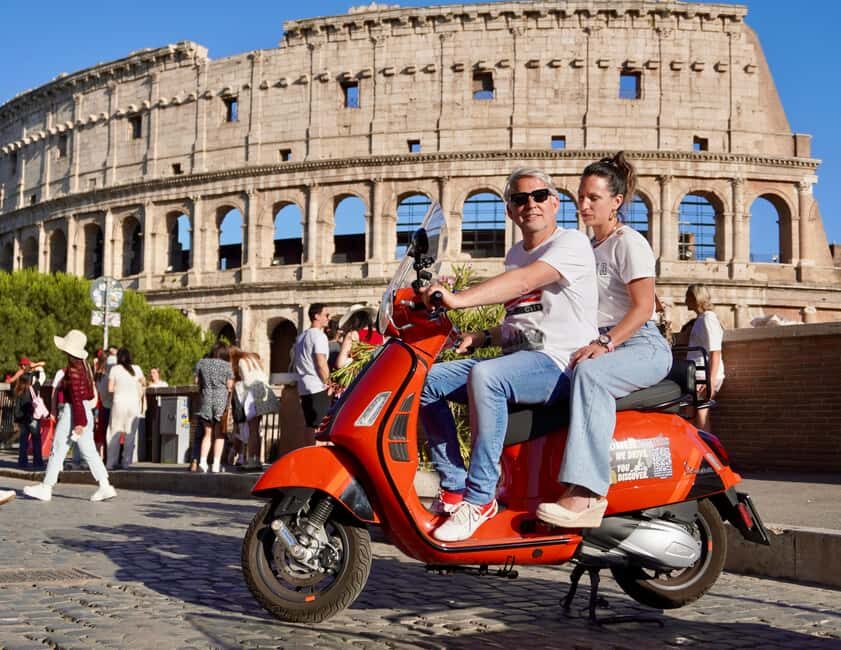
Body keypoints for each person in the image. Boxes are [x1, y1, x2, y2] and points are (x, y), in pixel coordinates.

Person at [418, 167, 599, 542]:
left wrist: (459, 299)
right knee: (425, 382)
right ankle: (454, 486)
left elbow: (524, 282)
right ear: (510, 210)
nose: (530, 204)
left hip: (562, 363)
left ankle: (480, 498)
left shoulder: (572, 243)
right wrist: (482, 337)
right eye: (520, 199)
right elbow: (521, 324)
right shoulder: (516, 253)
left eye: (539, 196)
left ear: (555, 203)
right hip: (523, 361)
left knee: (488, 377)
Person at [537, 152, 673, 528]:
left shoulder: (628, 242)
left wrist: (606, 343)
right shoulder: (587, 247)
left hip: (641, 345)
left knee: (590, 375)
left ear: (616, 202)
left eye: (593, 198)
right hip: (606, 342)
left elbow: (644, 308)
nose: (583, 205)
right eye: (580, 196)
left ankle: (587, 492)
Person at [23, 329, 117, 502]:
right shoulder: (85, 367)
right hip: (83, 410)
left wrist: (79, 422)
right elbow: (88, 394)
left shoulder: (73, 370)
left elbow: (76, 397)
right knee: (89, 451)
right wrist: (83, 418)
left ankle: (46, 487)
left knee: (58, 447)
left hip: (72, 411)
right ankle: (105, 485)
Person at [684, 283, 725, 431]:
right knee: (690, 415)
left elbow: (715, 351)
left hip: (704, 375)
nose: (685, 301)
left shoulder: (708, 318)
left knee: (702, 414)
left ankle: (705, 446)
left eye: (687, 297)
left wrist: (711, 381)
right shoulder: (701, 319)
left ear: (695, 298)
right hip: (697, 374)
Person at [194, 342, 234, 473]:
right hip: (220, 402)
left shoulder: (202, 363)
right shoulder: (227, 366)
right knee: (219, 435)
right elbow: (230, 385)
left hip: (206, 400)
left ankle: (202, 462)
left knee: (207, 434)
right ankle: (216, 464)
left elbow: (196, 381)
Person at [292, 304, 332, 435]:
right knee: (322, 430)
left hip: (304, 387)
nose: (328, 318)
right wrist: (329, 383)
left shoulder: (301, 337)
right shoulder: (319, 336)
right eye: (326, 315)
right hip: (318, 387)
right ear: (316, 316)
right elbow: (321, 362)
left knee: (311, 430)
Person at [106, 348, 145, 469]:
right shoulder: (137, 369)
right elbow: (144, 383)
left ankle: (111, 463)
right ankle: (126, 462)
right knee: (130, 434)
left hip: (119, 404)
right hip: (133, 405)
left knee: (114, 433)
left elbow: (110, 389)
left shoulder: (114, 369)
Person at [238, 351, 269, 469]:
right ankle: (257, 459)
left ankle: (251, 460)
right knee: (257, 430)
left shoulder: (242, 361)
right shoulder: (258, 364)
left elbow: (246, 381)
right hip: (262, 395)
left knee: (252, 430)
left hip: (251, 396)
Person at [335, 305, 383, 369]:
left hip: (360, 373)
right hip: (375, 371)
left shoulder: (352, 334)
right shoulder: (380, 334)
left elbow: (340, 364)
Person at [13, 373, 44, 469]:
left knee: (23, 441)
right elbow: (39, 382)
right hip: (33, 418)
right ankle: (38, 462)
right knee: (36, 441)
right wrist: (36, 374)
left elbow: (17, 407)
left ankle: (22, 462)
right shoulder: (33, 389)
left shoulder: (19, 391)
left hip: (23, 419)